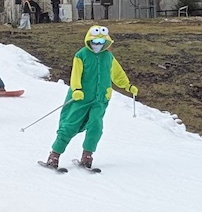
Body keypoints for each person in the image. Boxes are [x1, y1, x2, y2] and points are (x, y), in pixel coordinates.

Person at [41, 25, 137, 170]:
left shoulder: (108, 56)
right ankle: (54, 155)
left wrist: (128, 86)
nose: (97, 46)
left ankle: (87, 155)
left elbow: (117, 74)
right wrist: (77, 89)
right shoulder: (81, 55)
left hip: (100, 99)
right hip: (81, 98)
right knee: (70, 125)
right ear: (89, 41)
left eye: (100, 43)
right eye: (94, 43)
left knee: (96, 126)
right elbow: (75, 75)